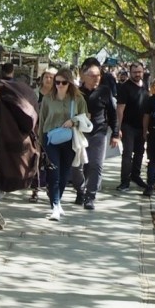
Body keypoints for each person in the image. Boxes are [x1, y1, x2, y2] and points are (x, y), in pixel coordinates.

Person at [36, 68, 86, 221]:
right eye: (57, 82)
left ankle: (58, 201)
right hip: (51, 139)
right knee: (54, 173)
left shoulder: (77, 99)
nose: (59, 85)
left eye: (63, 82)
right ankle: (55, 206)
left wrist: (74, 121)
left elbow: (85, 117)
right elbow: (42, 120)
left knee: (65, 175)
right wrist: (39, 142)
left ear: (69, 83)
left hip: (70, 140)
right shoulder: (48, 98)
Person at [77, 60, 116, 209]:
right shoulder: (77, 93)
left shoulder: (105, 90)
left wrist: (116, 134)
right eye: (92, 76)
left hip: (99, 132)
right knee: (80, 166)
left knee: (96, 164)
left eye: (98, 75)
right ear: (84, 76)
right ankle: (80, 191)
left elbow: (112, 113)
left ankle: (90, 196)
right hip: (81, 133)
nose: (96, 78)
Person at [115, 61, 148, 191]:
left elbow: (147, 110)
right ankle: (125, 181)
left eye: (139, 72)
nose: (137, 74)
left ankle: (136, 176)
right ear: (130, 73)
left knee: (140, 152)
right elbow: (119, 110)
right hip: (128, 126)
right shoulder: (125, 88)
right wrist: (118, 129)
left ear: (143, 71)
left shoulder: (145, 86)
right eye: (134, 72)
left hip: (141, 126)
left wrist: (146, 129)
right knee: (127, 154)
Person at [29, 68, 55, 201]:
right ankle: (35, 189)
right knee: (36, 161)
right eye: (46, 77)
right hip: (37, 131)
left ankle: (51, 188)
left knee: (51, 160)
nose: (49, 79)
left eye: (51, 77)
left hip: (53, 132)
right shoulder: (35, 93)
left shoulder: (58, 95)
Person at [142, 76, 155, 196]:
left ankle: (150, 186)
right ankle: (150, 185)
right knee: (153, 161)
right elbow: (146, 116)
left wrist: (145, 130)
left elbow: (146, 116)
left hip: (154, 132)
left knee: (153, 161)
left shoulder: (151, 99)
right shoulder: (151, 100)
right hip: (154, 132)